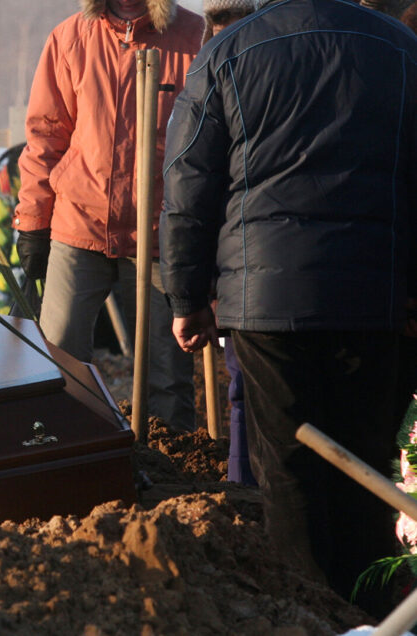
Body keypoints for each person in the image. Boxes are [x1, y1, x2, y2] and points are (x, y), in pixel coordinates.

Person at [160, 0, 417, 615]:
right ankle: (372, 616)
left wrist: (188, 297)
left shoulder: (228, 51)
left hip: (267, 301)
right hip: (374, 295)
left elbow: (189, 183)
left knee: (288, 475)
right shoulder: (400, 49)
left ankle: (309, 613)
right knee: (366, 467)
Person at [12, 0, 204, 432]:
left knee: (167, 374)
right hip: (81, 224)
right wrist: (33, 223)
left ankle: (170, 473)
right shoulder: (70, 38)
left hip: (161, 233)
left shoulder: (194, 38)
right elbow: (45, 137)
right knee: (58, 358)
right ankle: (68, 459)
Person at [202, 0, 259, 486]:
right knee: (242, 385)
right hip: (241, 264)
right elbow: (196, 187)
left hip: (253, 262)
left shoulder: (257, 73)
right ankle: (243, 488)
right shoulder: (213, 75)